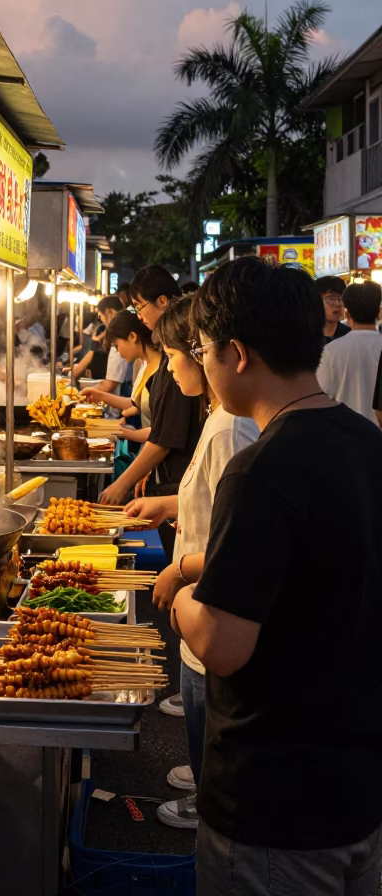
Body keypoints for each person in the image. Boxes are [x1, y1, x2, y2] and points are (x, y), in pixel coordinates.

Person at [171, 257, 382, 896]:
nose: (202, 364)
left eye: (203, 350)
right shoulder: (367, 443)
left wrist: (182, 597)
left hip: (274, 808)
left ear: (236, 354)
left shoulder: (260, 469)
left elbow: (224, 646)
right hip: (360, 791)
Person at [126, 296, 257, 830]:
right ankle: (206, 782)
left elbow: (241, 534)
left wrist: (179, 570)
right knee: (199, 706)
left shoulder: (231, 429)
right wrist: (170, 503)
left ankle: (211, 805)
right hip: (200, 593)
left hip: (209, 596)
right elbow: (213, 499)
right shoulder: (220, 420)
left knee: (210, 711)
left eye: (184, 354)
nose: (181, 366)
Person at [99, 268, 202, 535]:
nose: (139, 316)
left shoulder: (179, 364)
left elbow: (165, 436)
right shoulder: (171, 362)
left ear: (163, 301)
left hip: (179, 485)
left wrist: (122, 483)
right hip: (172, 484)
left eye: (139, 307)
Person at [317, 279, 382, 425]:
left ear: (348, 312)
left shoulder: (330, 352)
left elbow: (321, 399)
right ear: (378, 311)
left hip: (346, 437)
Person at [316, 275, 352, 344]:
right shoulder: (307, 337)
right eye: (330, 298)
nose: (338, 304)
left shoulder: (349, 335)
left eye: (341, 297)